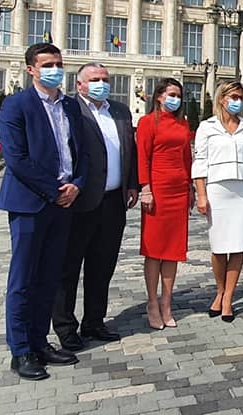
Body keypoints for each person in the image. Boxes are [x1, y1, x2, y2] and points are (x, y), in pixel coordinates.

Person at [0, 43, 87, 380]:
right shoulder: (16, 105)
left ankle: (40, 342)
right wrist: (55, 190)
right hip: (30, 204)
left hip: (64, 203)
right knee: (23, 280)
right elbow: (17, 159)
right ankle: (20, 351)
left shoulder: (68, 106)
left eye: (59, 63)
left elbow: (81, 154)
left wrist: (76, 184)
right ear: (31, 69)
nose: (55, 69)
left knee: (50, 277)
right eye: (47, 64)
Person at [52, 63, 138, 352]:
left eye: (105, 79)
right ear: (79, 85)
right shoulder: (69, 110)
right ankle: (65, 327)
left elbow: (130, 149)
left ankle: (94, 321)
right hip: (80, 202)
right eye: (94, 79)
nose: (101, 83)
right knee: (69, 267)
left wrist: (133, 184)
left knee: (102, 265)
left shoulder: (120, 111)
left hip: (114, 200)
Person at [193, 82, 243, 322]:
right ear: (222, 99)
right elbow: (200, 162)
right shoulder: (206, 126)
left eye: (241, 97)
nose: (238, 101)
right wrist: (201, 193)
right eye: (234, 96)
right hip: (217, 190)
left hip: (242, 190)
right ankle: (219, 291)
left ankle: (228, 297)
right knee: (219, 248)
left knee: (239, 245)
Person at [137, 78, 193, 329]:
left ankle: (166, 303)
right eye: (171, 94)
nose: (176, 99)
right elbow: (143, 157)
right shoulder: (148, 122)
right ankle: (152, 302)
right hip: (157, 191)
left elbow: (187, 157)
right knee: (154, 250)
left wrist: (191, 187)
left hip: (179, 191)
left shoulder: (183, 124)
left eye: (178, 95)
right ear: (159, 96)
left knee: (172, 251)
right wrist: (145, 189)